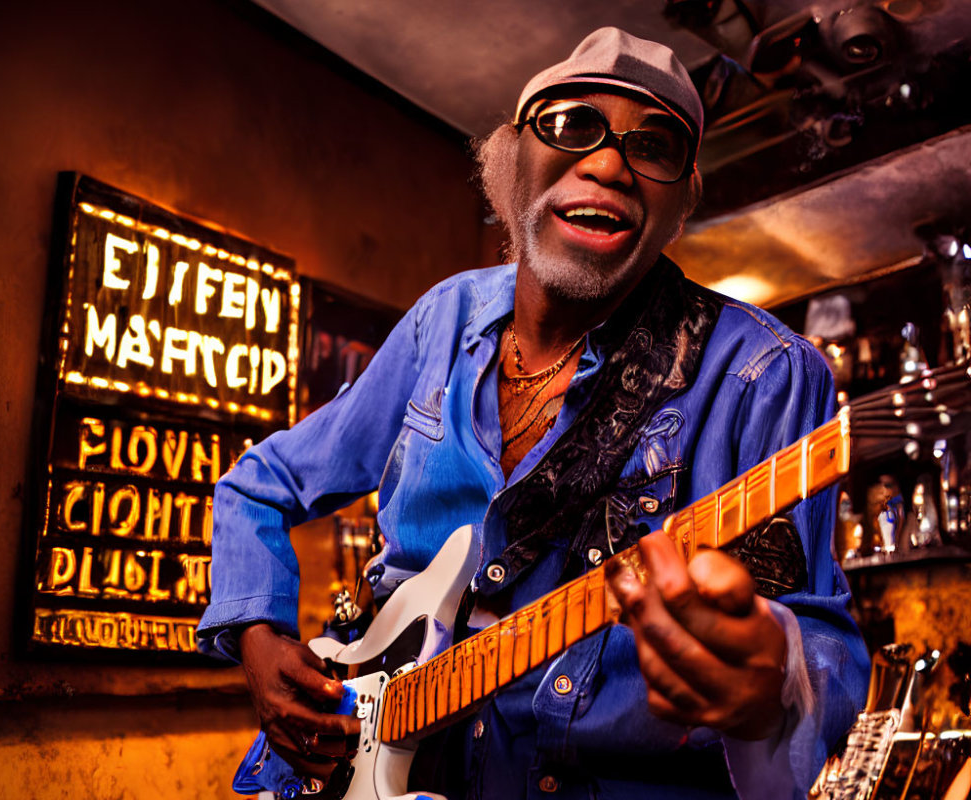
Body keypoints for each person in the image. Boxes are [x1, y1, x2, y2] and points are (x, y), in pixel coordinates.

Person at [198, 27, 870, 800]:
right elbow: (257, 484)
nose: (611, 162)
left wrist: (775, 681)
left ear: (678, 206)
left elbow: (824, 649)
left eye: (654, 145)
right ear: (510, 165)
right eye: (573, 124)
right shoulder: (442, 319)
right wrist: (258, 636)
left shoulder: (766, 375)